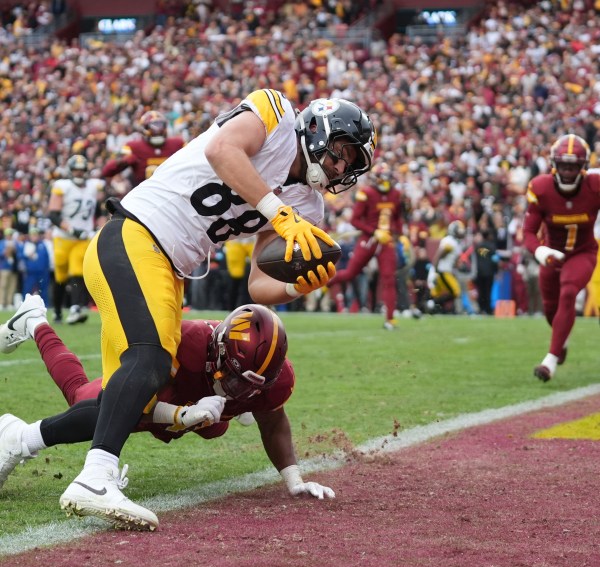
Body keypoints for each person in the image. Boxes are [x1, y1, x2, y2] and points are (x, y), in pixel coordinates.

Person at [62, 91, 375, 528]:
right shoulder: (277, 112)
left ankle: (16, 440)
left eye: (350, 165)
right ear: (321, 130)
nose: (341, 169)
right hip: (136, 234)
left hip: (168, 267)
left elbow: (257, 285)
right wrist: (278, 213)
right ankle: (95, 479)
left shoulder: (308, 205)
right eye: (342, 154)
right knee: (149, 360)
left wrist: (297, 287)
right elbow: (221, 149)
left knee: (137, 397)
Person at [0, 296, 335, 530]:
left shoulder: (270, 379)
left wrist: (294, 480)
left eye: (250, 387)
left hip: (194, 399)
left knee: (215, 424)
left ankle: (223, 414)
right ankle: (35, 323)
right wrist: (181, 415)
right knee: (90, 403)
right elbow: (135, 404)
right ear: (216, 350)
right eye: (233, 379)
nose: (239, 390)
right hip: (153, 385)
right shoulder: (184, 342)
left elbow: (274, 419)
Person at [523, 134, 600, 382]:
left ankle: (550, 361)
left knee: (568, 292)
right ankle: (561, 342)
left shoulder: (594, 186)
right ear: (554, 163)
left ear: (583, 166)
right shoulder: (541, 188)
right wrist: (541, 251)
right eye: (563, 165)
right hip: (551, 255)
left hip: (582, 252)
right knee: (550, 310)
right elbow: (527, 232)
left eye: (573, 165)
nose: (567, 171)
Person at [327, 161, 404, 330]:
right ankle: (324, 282)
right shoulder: (367, 193)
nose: (387, 182)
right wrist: (373, 231)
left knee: (389, 278)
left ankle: (390, 319)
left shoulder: (396, 194)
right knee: (349, 273)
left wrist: (399, 234)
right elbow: (355, 220)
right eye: (384, 179)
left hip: (386, 240)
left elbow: (397, 218)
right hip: (369, 238)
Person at [47, 154, 106, 325]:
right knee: (60, 276)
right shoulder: (62, 186)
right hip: (63, 238)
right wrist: (72, 229)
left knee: (78, 271)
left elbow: (100, 211)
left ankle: (75, 308)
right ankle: (57, 311)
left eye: (81, 170)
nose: (79, 173)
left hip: (83, 237)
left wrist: (100, 226)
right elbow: (53, 214)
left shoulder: (95, 186)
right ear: (70, 171)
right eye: (76, 170)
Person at [101, 111, 186, 191]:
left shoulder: (178, 143)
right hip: (144, 195)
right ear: (144, 128)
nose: (158, 130)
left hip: (173, 192)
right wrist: (124, 161)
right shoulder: (134, 147)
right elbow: (107, 171)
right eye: (153, 126)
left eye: (160, 125)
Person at [427, 220, 466, 314]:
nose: (461, 232)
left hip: (444, 270)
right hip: (442, 271)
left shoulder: (455, 242)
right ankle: (432, 304)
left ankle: (433, 308)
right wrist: (434, 271)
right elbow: (438, 255)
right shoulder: (450, 242)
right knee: (455, 291)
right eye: (459, 230)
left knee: (437, 293)